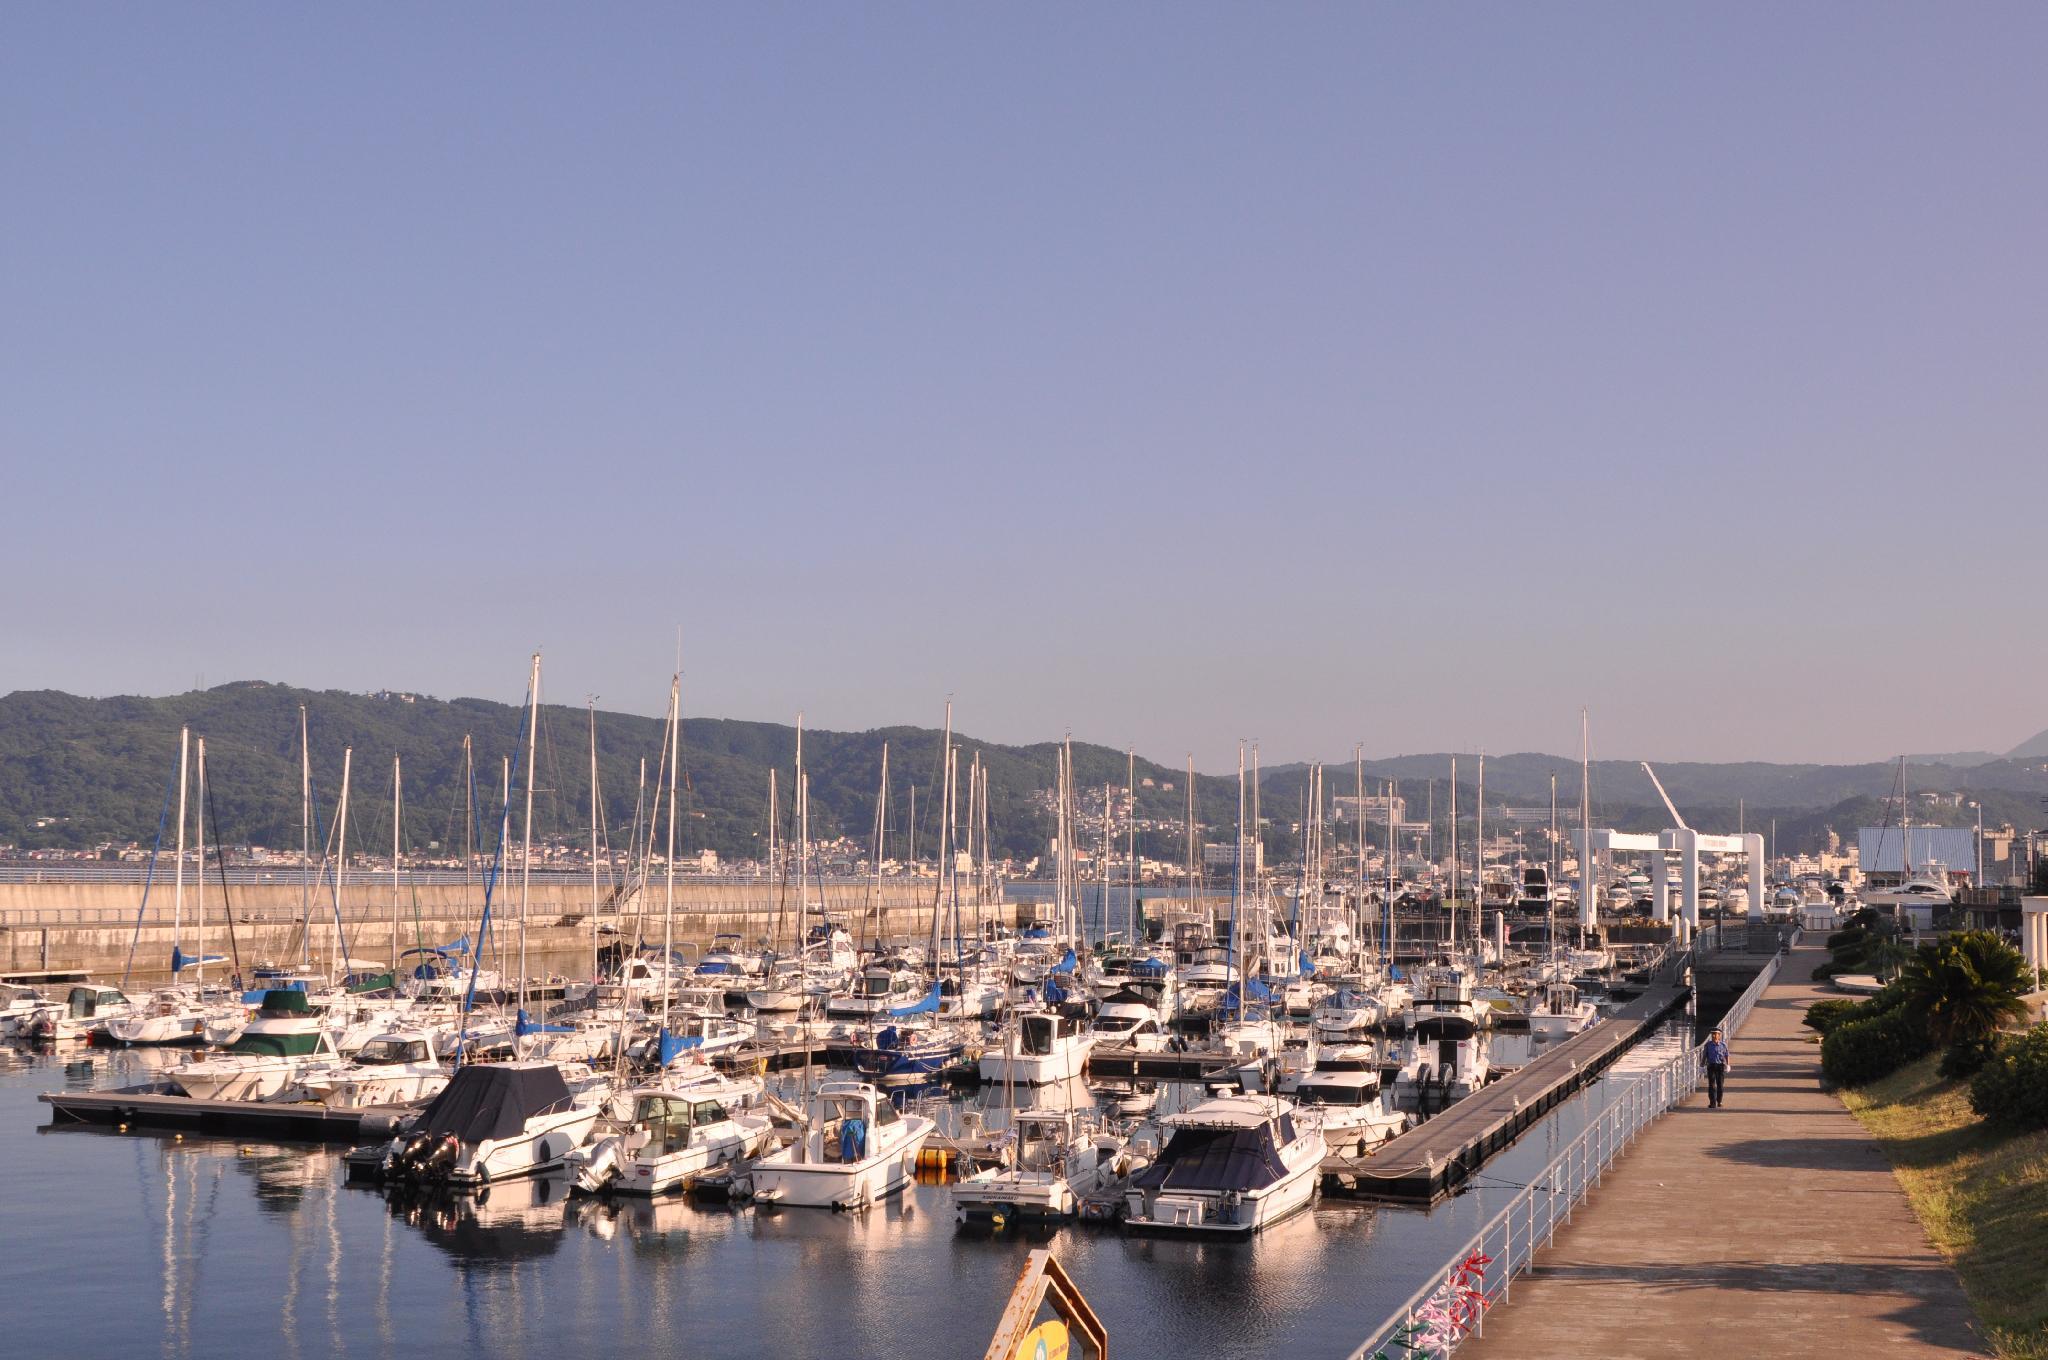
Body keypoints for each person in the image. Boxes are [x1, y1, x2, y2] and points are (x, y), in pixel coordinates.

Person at [1704, 1028, 1731, 1108]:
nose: (1713, 1035)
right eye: (1712, 1034)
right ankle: (1712, 1102)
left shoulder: (1723, 1045)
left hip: (1720, 1066)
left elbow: (1727, 1055)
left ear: (1719, 1036)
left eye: (1715, 1034)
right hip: (1711, 1066)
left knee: (1720, 1085)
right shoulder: (1708, 1045)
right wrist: (1701, 1066)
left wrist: (1728, 1065)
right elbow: (1704, 1055)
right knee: (1711, 1085)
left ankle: (1719, 1101)